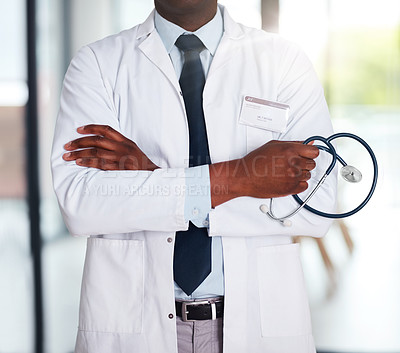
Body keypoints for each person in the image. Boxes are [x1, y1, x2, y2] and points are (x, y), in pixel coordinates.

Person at [51, 0, 337, 352]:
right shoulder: (97, 64)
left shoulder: (283, 61)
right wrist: (241, 177)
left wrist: (154, 178)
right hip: (132, 328)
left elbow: (316, 206)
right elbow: (82, 203)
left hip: (257, 325)